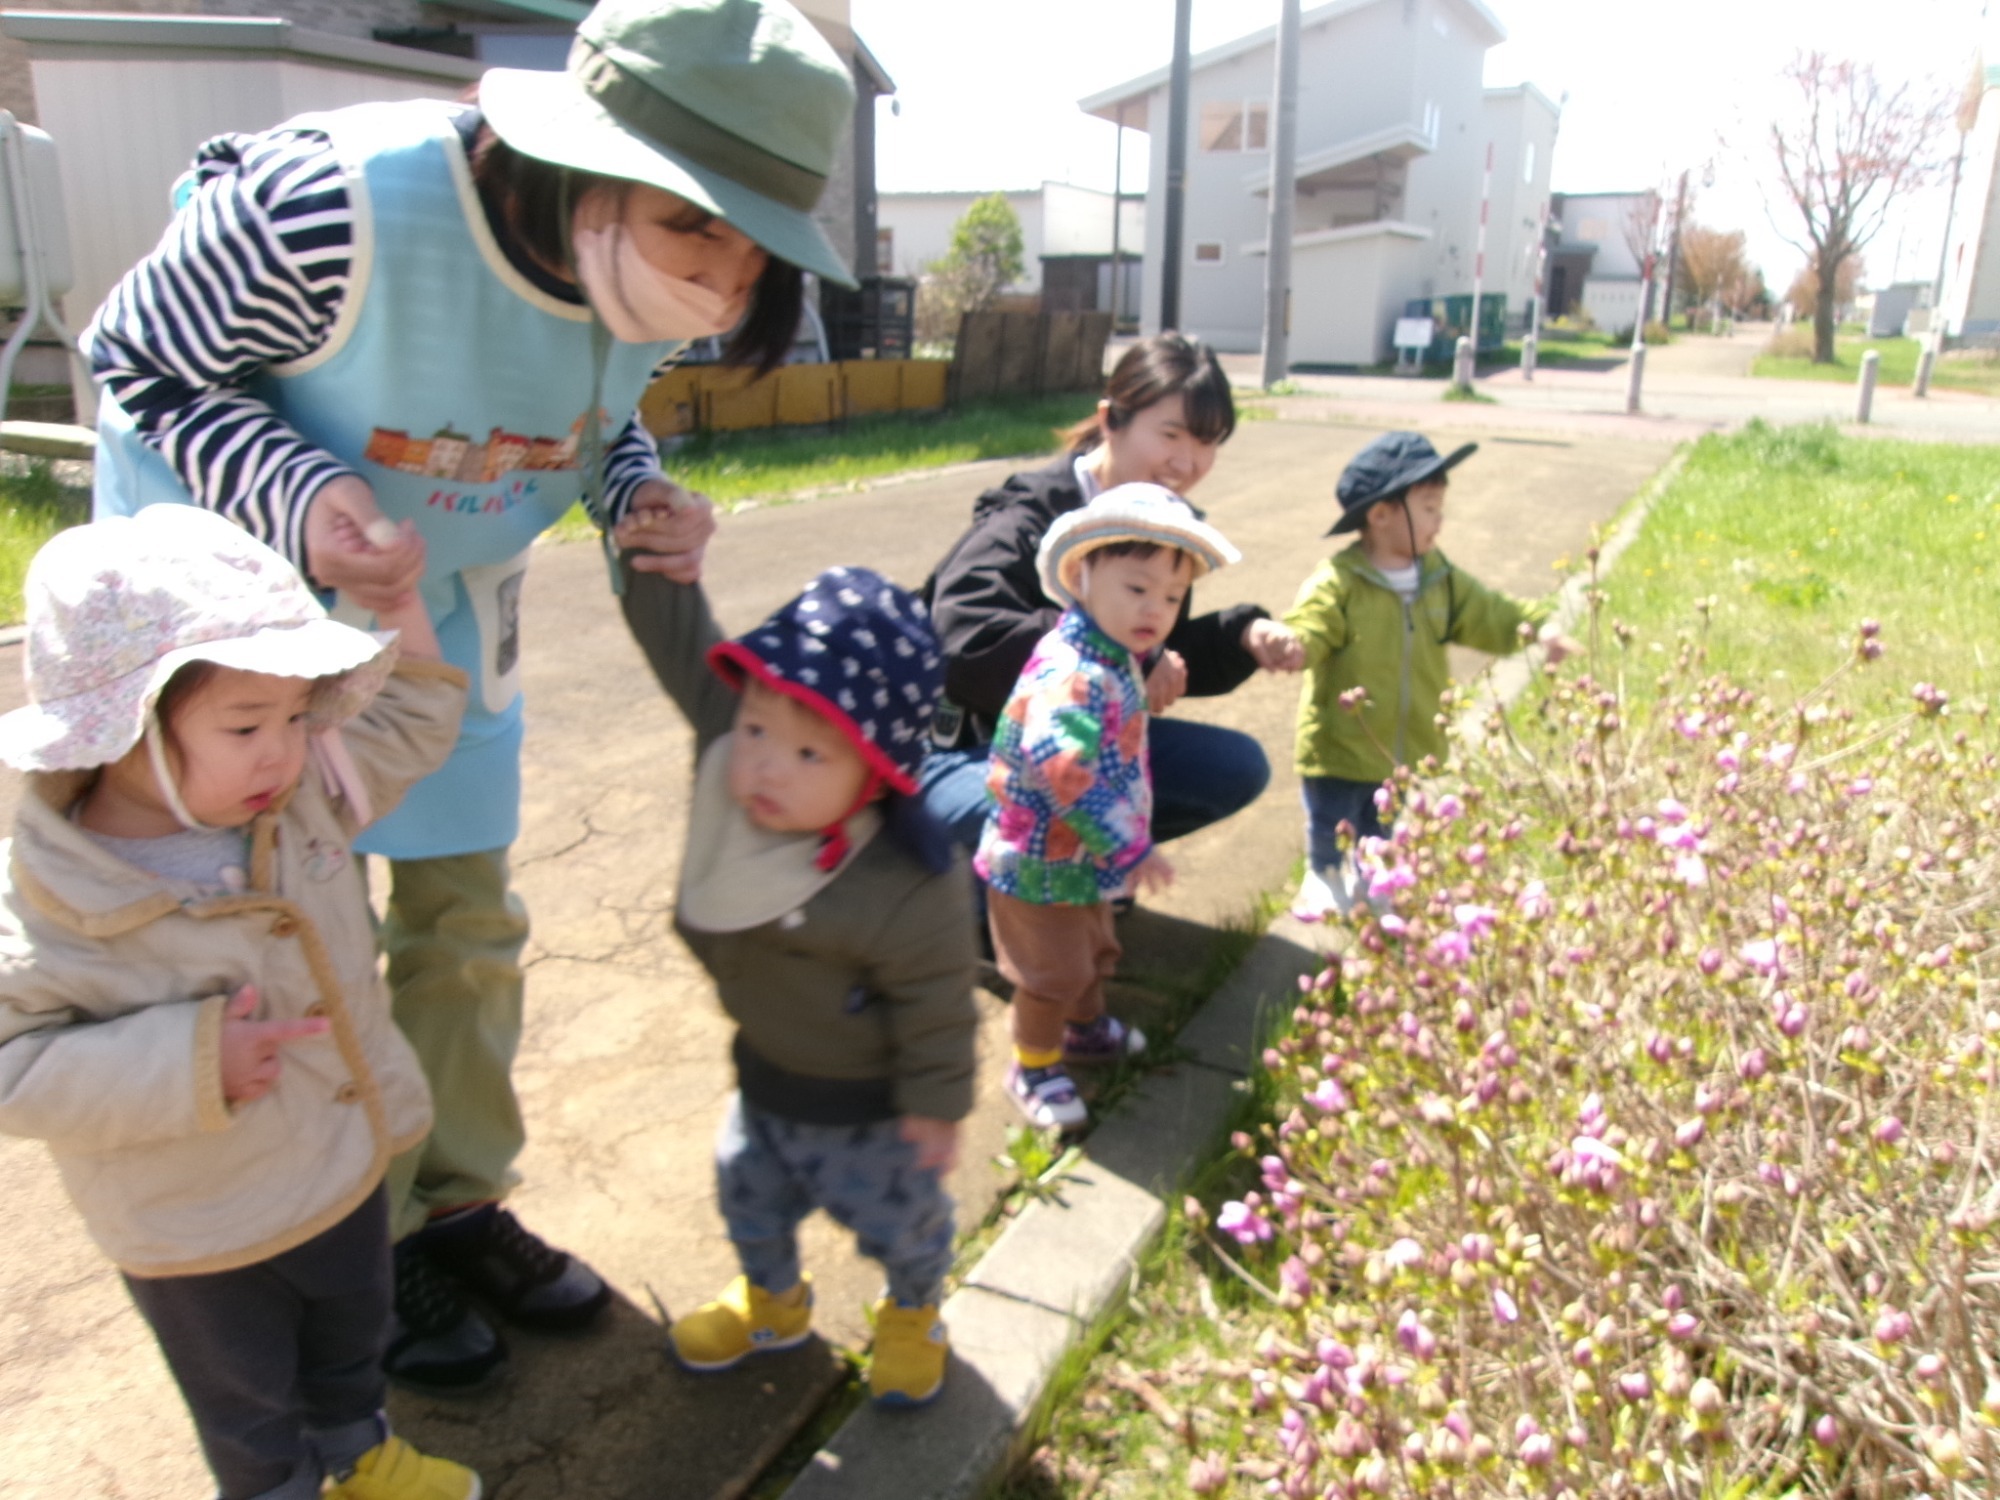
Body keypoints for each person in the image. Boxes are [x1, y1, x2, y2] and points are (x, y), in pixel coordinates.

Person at [83, 0, 862, 1389]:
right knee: (288, 943)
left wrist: (634, 498)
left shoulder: (636, 276)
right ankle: (340, 1242)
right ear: (580, 164)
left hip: (433, 609)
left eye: (756, 250)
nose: (726, 282)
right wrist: (305, 497)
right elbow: (135, 356)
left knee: (464, 922)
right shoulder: (332, 207)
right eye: (700, 226)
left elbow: (592, 407)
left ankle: (454, 1202)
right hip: (240, 626)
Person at [0, 507, 476, 1500]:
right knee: (247, 1400)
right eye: (247, 726)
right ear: (122, 727)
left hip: (340, 1165)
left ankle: (359, 1450)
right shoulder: (49, 901)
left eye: (300, 716)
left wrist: (392, 602)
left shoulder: (299, 796)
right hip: (195, 1231)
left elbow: (417, 720)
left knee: (353, 1332)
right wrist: (185, 1062)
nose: (284, 753)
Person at [618, 559, 977, 1407]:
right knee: (746, 1193)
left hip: (871, 1112)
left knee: (902, 1223)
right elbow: (679, 644)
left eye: (810, 751)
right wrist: (651, 557)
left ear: (876, 773)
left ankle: (913, 1309)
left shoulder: (905, 880)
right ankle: (774, 1301)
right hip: (766, 1082)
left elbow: (939, 1005)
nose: (765, 768)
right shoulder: (736, 763)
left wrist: (939, 1102)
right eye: (754, 732)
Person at [920, 333, 1302, 860]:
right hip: (972, 750)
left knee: (1234, 767)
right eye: (1171, 434)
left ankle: (1087, 863)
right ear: (1110, 421)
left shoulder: (1162, 524)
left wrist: (1244, 635)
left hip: (1078, 746)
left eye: (1208, 442)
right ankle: (979, 883)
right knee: (1057, 793)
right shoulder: (1026, 516)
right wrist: (1127, 656)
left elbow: (1154, 644)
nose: (1187, 463)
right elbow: (966, 638)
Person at [976, 487, 1239, 1129]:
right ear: (1083, 575)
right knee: (1050, 974)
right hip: (1035, 860)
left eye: (1172, 597)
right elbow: (1064, 767)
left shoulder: (1113, 653)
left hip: (1078, 860)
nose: (1156, 609)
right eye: (1137, 588)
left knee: (1095, 949)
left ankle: (1085, 1030)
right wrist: (1130, 846)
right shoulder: (1072, 672)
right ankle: (1033, 1064)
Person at [1284, 432, 1574, 916]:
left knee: (1385, 825)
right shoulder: (1339, 581)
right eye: (1429, 508)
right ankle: (1325, 875)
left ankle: (1378, 881)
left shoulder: (1440, 577)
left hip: (1405, 741)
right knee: (1331, 819)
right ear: (1380, 516)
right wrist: (1293, 645)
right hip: (1340, 743)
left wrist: (1539, 628)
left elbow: (1490, 612)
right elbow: (1311, 624)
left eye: (1439, 507)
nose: (1440, 520)